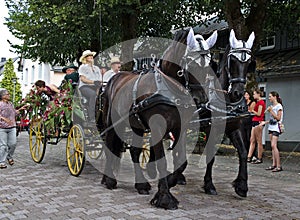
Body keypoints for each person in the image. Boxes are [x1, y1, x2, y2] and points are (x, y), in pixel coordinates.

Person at [0, 89, 27, 168]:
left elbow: (14, 113)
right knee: (3, 145)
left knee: (13, 144)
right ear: (3, 96)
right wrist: (4, 119)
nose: (9, 95)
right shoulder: (0, 104)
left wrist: (21, 109)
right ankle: (1, 162)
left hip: (12, 127)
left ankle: (9, 156)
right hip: (2, 128)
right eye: (7, 94)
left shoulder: (10, 104)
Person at [261, 91, 284, 172]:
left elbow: (278, 118)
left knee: (274, 145)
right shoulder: (272, 106)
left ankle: (279, 165)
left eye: (270, 96)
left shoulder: (279, 106)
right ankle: (274, 164)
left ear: (275, 97)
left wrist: (271, 111)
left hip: (276, 127)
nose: (269, 98)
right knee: (272, 146)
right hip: (271, 126)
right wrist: (265, 122)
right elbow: (272, 119)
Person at [78, 50, 101, 122]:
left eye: (91, 56)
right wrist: (93, 82)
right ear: (85, 58)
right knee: (93, 95)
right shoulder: (82, 67)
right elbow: (83, 79)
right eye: (89, 56)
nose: (91, 57)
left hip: (96, 87)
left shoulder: (96, 68)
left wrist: (98, 87)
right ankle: (92, 117)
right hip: (85, 87)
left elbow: (100, 80)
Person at [247, 89, 266, 164]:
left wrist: (252, 111)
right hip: (254, 121)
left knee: (259, 141)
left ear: (258, 94)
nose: (254, 95)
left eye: (254, 94)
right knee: (252, 140)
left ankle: (259, 157)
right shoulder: (258, 102)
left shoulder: (261, 103)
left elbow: (259, 113)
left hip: (258, 121)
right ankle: (249, 156)